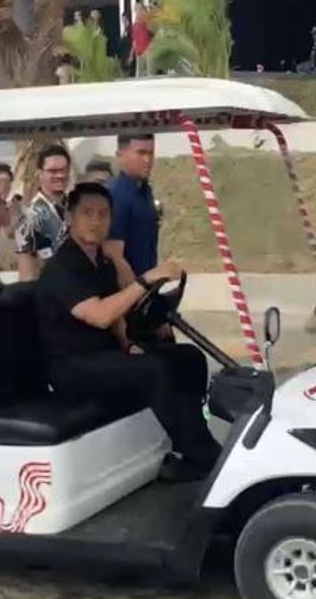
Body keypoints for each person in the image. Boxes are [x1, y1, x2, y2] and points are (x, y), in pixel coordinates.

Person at [36, 182, 220, 481]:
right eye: (87, 213)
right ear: (69, 218)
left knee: (187, 358)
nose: (96, 221)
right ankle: (200, 456)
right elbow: (100, 314)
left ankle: (194, 439)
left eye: (103, 214)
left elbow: (116, 317)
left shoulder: (101, 262)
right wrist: (146, 279)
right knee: (152, 370)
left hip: (103, 355)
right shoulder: (63, 267)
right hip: (70, 368)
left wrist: (127, 343)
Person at [106, 134, 160, 281]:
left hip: (147, 282)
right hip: (129, 291)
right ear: (120, 156)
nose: (147, 160)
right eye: (141, 153)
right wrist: (138, 294)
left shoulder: (145, 191)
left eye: (151, 153)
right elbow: (114, 255)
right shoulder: (116, 195)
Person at [15, 145, 71, 280]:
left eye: (64, 170)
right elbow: (26, 274)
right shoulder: (29, 217)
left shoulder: (75, 208)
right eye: (53, 171)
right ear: (39, 173)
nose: (60, 175)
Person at [131, 5, 154, 77]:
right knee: (139, 74)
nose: (138, 11)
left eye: (140, 9)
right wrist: (131, 54)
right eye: (136, 10)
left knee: (149, 73)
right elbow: (134, 40)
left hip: (147, 50)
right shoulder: (134, 25)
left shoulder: (146, 21)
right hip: (139, 52)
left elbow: (152, 31)